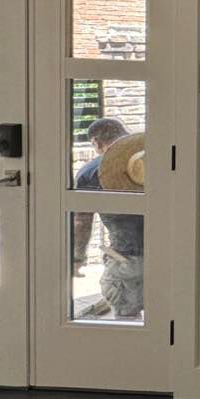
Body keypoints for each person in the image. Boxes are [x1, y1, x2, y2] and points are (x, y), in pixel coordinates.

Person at [73, 118, 146, 319]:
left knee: (126, 319)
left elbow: (82, 221)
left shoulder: (90, 172)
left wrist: (77, 257)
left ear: (96, 143)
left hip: (127, 258)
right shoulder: (160, 158)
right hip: (172, 254)